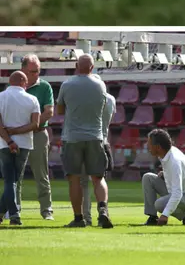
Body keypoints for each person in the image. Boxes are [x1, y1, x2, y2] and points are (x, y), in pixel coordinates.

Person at [56, 54, 113, 227]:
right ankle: (103, 210)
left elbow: (59, 110)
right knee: (98, 177)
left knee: (74, 179)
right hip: (95, 136)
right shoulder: (100, 85)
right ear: (92, 67)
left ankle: (79, 218)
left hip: (72, 137)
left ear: (76, 65)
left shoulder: (67, 84)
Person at [0, 71, 41, 225]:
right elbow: (35, 124)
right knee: (14, 180)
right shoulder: (32, 99)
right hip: (24, 144)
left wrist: (9, 140)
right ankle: (14, 215)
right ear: (23, 82)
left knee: (10, 180)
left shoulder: (1, 97)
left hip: (4, 144)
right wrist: (17, 132)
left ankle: (3, 213)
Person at [18, 55, 55, 221]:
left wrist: (30, 125)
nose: (36, 74)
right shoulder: (14, 87)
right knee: (15, 175)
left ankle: (47, 210)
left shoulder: (45, 86)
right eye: (33, 71)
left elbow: (49, 112)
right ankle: (14, 210)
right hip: (20, 136)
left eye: (38, 71)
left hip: (38, 135)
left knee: (42, 174)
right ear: (23, 70)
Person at [142, 129, 185, 226]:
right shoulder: (166, 153)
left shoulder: (174, 161)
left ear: (158, 147)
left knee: (159, 204)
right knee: (148, 177)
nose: (147, 146)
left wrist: (165, 215)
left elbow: (177, 193)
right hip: (183, 192)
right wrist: (166, 174)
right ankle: (152, 217)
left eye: (149, 144)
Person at [80, 78, 115, 226]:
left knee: (83, 182)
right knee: (99, 179)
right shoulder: (111, 99)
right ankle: (103, 211)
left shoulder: (88, 98)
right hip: (103, 140)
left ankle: (85, 218)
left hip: (85, 139)